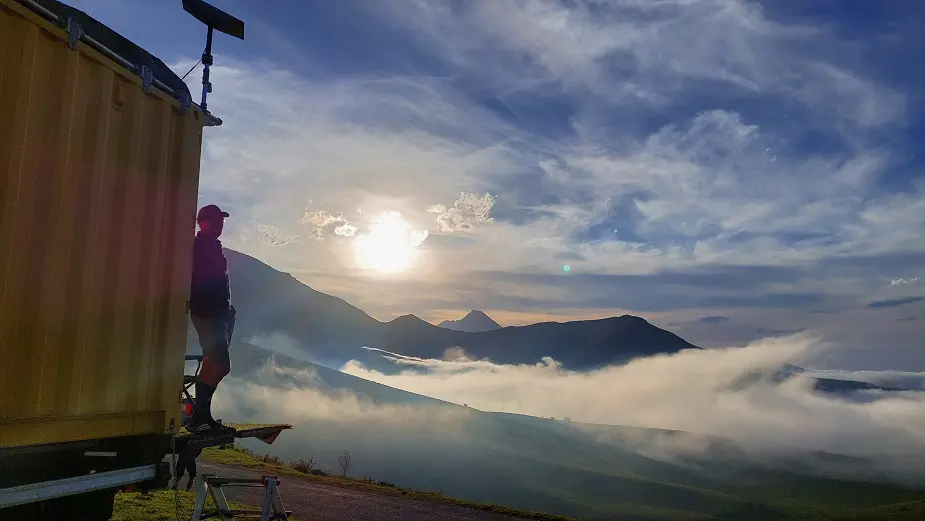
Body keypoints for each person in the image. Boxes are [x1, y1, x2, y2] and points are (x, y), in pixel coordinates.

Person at [188, 204, 236, 433]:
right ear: (204, 222)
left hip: (216, 314)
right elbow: (198, 283)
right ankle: (200, 417)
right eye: (217, 220)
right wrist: (212, 309)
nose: (221, 224)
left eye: (222, 221)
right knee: (221, 364)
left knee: (211, 362)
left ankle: (202, 419)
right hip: (208, 314)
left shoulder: (212, 247)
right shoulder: (199, 247)